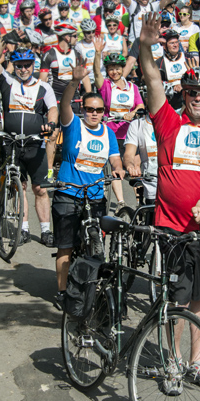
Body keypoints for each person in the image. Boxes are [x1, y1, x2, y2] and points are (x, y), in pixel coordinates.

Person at [139, 12, 200, 392]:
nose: (198, 98)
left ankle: (197, 362)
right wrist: (146, 46)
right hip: (171, 227)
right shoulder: (168, 121)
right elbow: (151, 78)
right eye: (192, 92)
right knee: (177, 301)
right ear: (185, 94)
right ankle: (173, 362)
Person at [52, 62, 125, 310]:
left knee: (96, 247)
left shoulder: (108, 133)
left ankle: (93, 287)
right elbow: (64, 105)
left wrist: (118, 167)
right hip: (68, 193)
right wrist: (74, 82)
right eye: (90, 109)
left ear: (104, 111)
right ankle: (63, 292)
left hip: (95, 195)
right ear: (83, 109)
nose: (94, 113)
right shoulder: (73, 125)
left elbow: (114, 156)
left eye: (99, 110)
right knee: (66, 246)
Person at [0, 35, 58, 246]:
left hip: (35, 144)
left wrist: (51, 125)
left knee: (41, 189)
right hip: (12, 143)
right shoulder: (8, 81)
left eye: (27, 65)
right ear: (14, 65)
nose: (24, 69)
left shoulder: (43, 87)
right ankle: (23, 229)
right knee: (20, 186)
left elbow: (52, 108)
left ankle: (45, 231)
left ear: (33, 65)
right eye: (19, 65)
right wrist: (3, 40)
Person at [93, 35, 145, 211]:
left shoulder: (133, 87)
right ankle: (121, 202)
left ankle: (140, 202)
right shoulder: (106, 85)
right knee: (116, 168)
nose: (114, 72)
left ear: (123, 69)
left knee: (135, 166)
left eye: (117, 68)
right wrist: (97, 54)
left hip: (130, 133)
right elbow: (96, 74)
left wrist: (133, 113)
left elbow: (140, 105)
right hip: (112, 132)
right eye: (111, 69)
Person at [40, 23, 92, 179]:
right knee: (53, 136)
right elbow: (42, 81)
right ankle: (49, 170)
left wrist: (88, 95)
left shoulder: (77, 54)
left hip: (74, 99)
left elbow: (85, 76)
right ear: (66, 37)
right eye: (75, 35)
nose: (77, 39)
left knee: (75, 137)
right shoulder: (50, 54)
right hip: (55, 100)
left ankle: (74, 168)